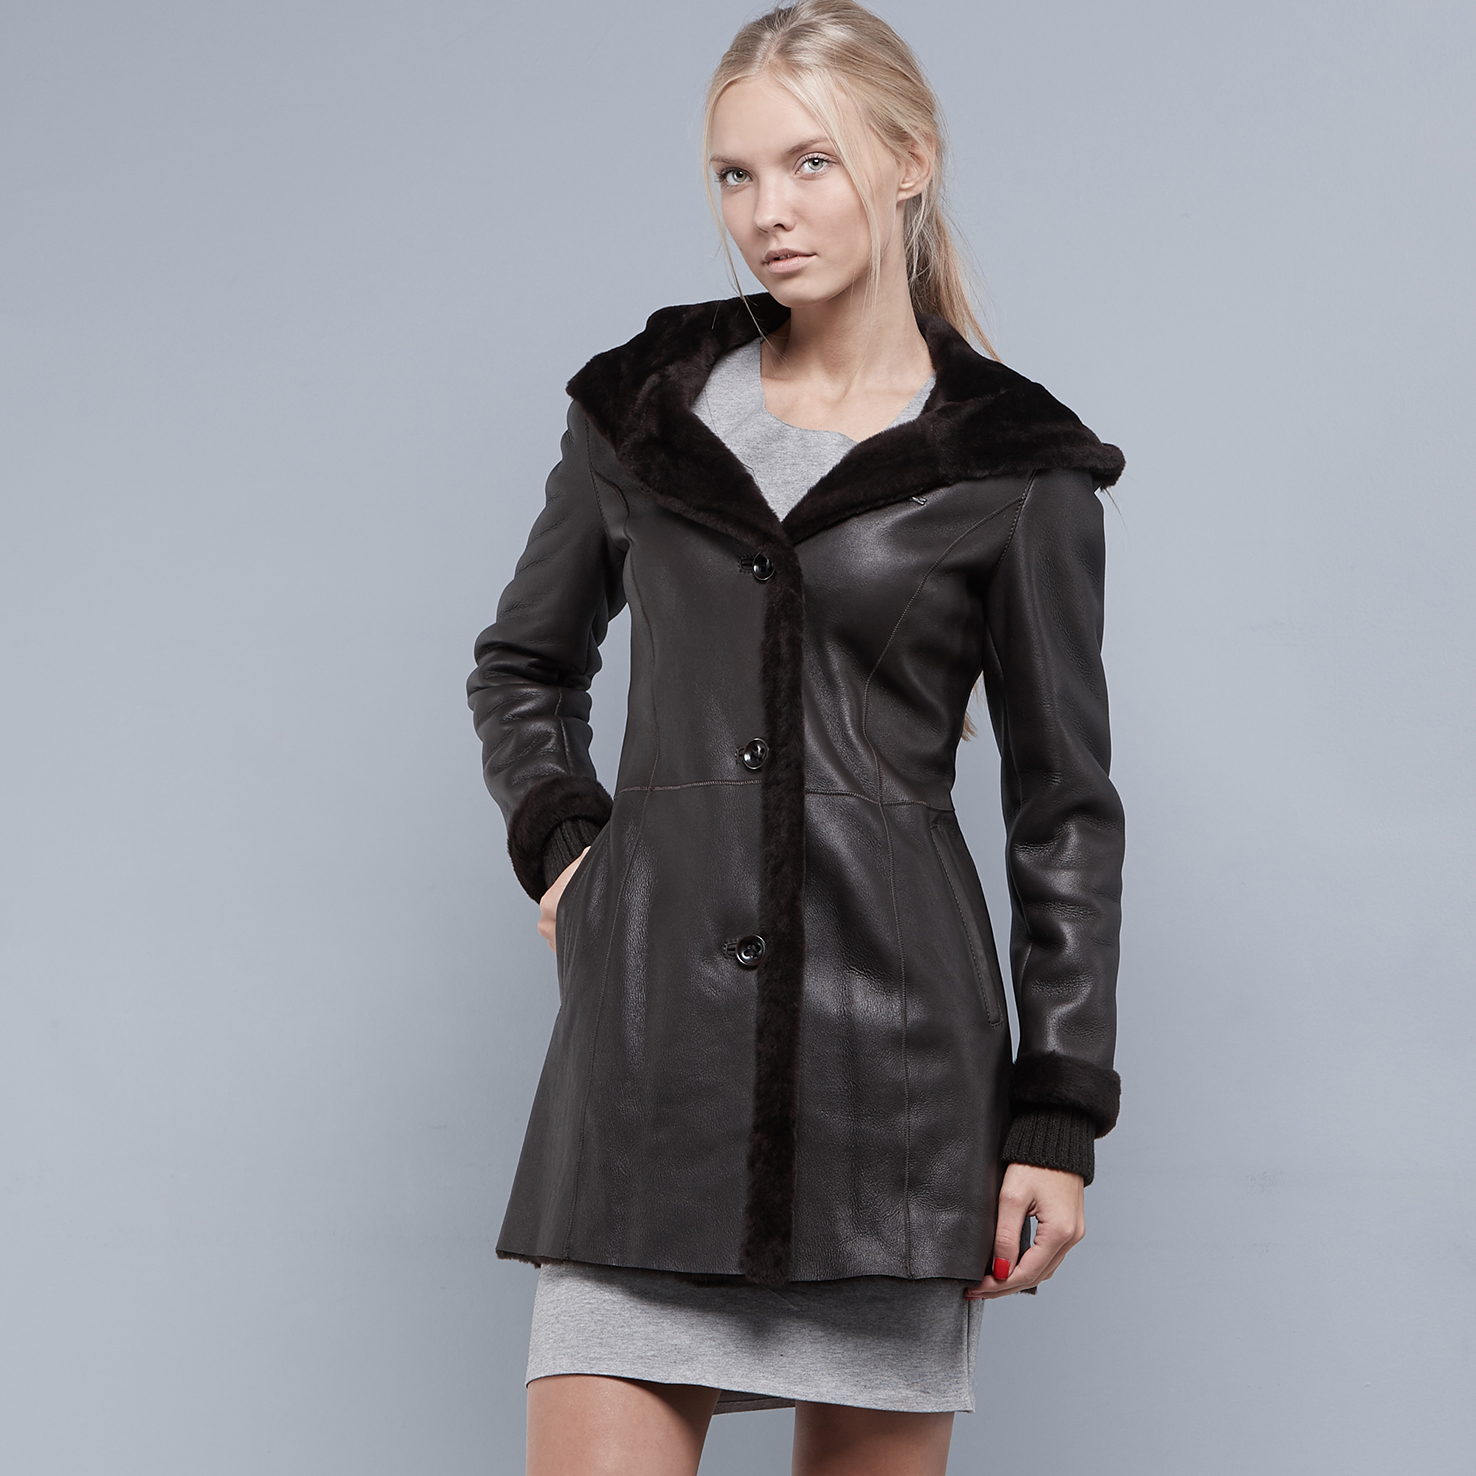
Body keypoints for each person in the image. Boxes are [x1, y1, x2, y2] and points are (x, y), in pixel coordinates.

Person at [466, 2, 1126, 1471]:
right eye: (735, 174)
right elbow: (524, 664)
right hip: (647, 1078)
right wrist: (566, 843)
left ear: (909, 160)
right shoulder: (641, 412)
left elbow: (1065, 808)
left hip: (894, 1096)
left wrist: (1057, 1118)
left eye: (809, 162)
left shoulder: (1016, 465)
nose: (767, 212)